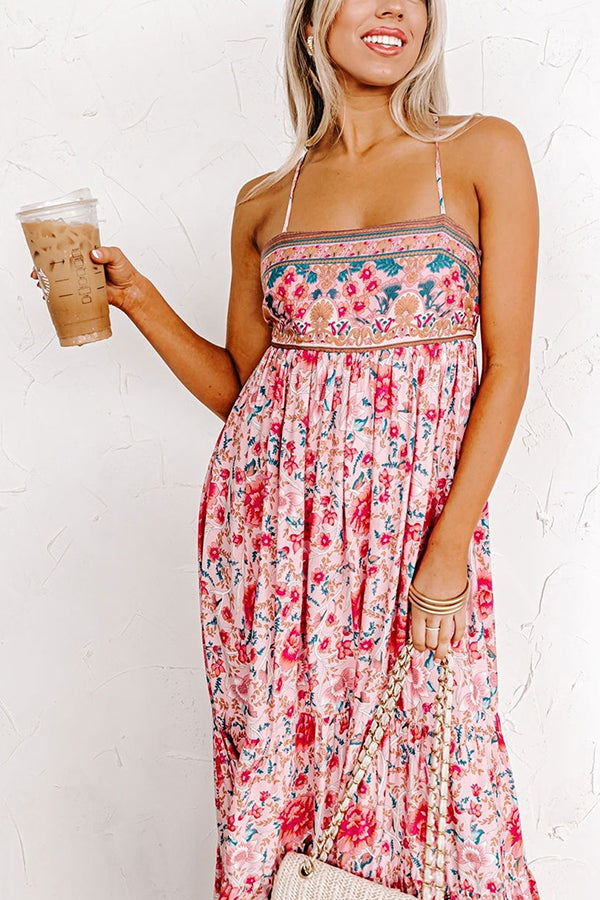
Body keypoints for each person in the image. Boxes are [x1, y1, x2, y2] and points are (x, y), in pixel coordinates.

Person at [32, 1, 541, 897]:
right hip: (275, 542)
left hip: (416, 533)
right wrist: (137, 296)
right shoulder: (267, 201)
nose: (397, 9)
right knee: (288, 771)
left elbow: (507, 368)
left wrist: (450, 546)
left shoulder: (478, 152)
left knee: (439, 768)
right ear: (311, 20)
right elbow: (247, 392)